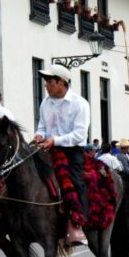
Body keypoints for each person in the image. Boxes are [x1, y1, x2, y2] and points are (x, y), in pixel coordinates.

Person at [33, 64, 90, 247]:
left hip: (71, 150)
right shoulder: (45, 102)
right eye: (46, 82)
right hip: (47, 148)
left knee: (74, 182)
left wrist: (55, 140)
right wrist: (39, 134)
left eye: (50, 81)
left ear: (62, 82)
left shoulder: (80, 104)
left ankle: (76, 224)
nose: (46, 85)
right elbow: (42, 125)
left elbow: (79, 135)